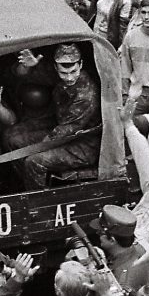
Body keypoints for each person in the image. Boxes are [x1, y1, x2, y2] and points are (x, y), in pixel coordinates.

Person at [14, 44, 101, 189]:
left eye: (74, 71)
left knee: (33, 161)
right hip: (59, 132)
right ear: (56, 68)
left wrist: (38, 147)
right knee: (13, 139)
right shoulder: (59, 75)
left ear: (81, 65)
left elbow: (67, 129)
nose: (69, 77)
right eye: (63, 73)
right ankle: (25, 185)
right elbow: (21, 75)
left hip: (83, 145)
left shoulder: (86, 95)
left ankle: (38, 202)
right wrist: (29, 67)